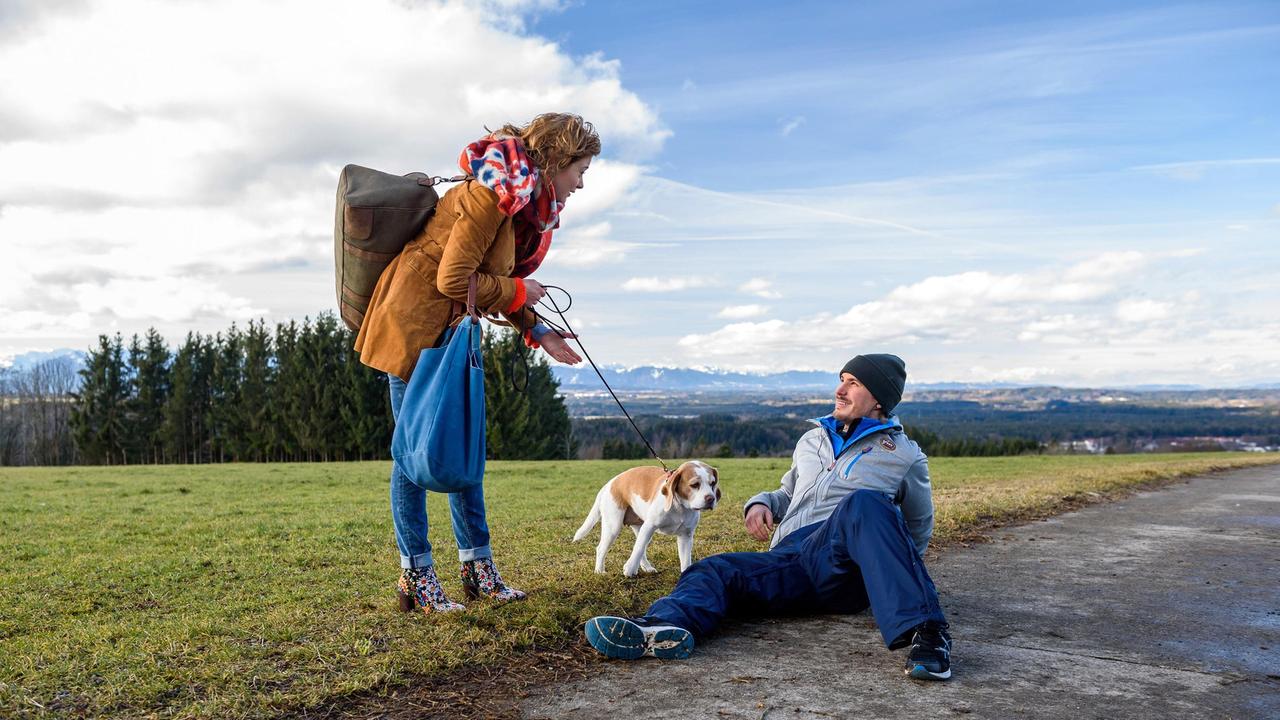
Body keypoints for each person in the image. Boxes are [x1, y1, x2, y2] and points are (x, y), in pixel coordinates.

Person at [355, 113, 597, 613]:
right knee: (413, 455)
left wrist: (537, 328)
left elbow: (480, 282)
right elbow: (453, 279)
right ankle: (417, 578)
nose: (580, 183)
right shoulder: (491, 195)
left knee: (461, 449)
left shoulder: (512, 195)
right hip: (412, 331)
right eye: (580, 170)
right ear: (554, 161)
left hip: (442, 334)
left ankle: (478, 571)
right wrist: (517, 291)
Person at [583, 354, 954, 681]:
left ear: (879, 398)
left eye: (853, 383)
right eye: (841, 380)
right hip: (791, 559)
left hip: (843, 565)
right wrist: (762, 503)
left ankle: (928, 635)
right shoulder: (813, 440)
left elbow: (917, 527)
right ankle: (659, 627)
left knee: (866, 504)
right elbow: (789, 494)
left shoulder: (904, 457)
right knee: (711, 569)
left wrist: (887, 575)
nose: (840, 391)